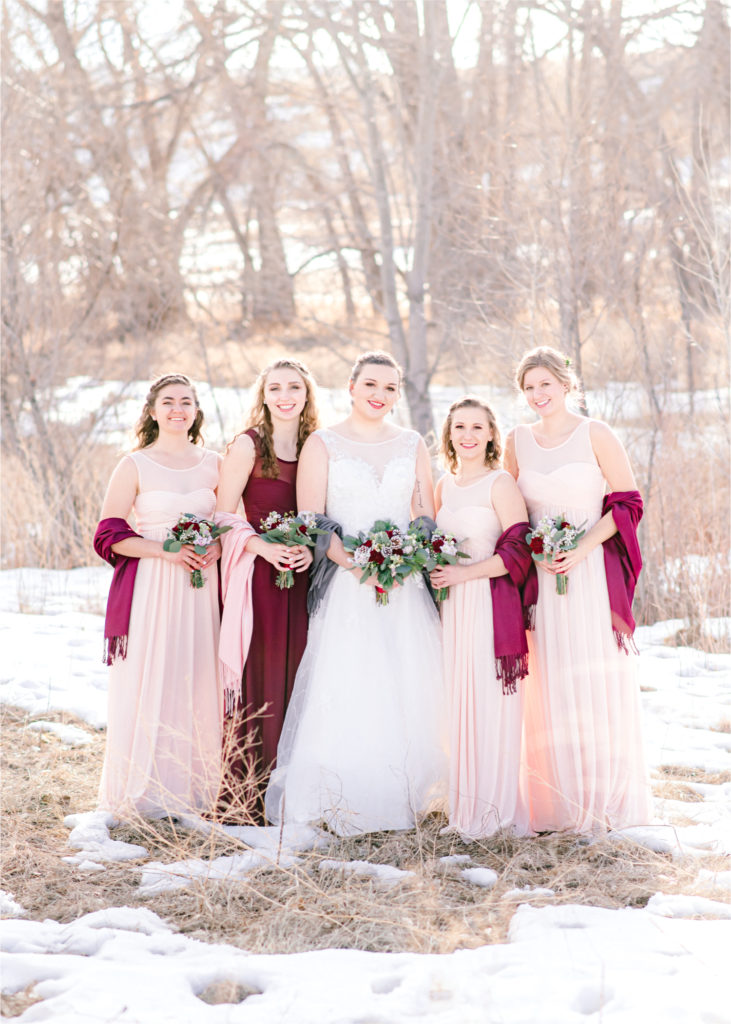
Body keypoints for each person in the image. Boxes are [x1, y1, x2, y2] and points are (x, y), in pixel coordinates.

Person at [265, 351, 448, 836]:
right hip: (347, 584)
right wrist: (360, 565)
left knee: (404, 680)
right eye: (371, 384)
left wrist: (400, 558)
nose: (379, 395)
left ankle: (407, 790)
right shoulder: (323, 444)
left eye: (390, 388)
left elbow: (423, 513)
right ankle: (342, 793)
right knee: (350, 681)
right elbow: (312, 518)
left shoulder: (412, 443)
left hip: (401, 583)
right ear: (351, 387)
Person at [504, 346, 652, 834]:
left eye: (545, 384)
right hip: (542, 582)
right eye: (528, 388)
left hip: (588, 576)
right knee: (549, 680)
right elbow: (509, 514)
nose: (537, 395)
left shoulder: (596, 433)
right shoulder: (517, 441)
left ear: (566, 384)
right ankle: (555, 804)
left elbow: (628, 504)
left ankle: (600, 799)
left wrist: (584, 547)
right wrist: (534, 549)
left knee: (591, 680)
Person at [94, 373, 223, 819]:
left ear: (196, 411)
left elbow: (232, 522)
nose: (177, 409)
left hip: (203, 588)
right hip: (150, 585)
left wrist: (217, 546)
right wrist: (165, 550)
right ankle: (143, 792)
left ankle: (196, 789)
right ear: (152, 411)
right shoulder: (134, 465)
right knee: (152, 675)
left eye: (186, 401)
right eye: (168, 401)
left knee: (198, 676)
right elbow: (108, 533)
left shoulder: (216, 464)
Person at [214, 358, 319, 820]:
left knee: (300, 676)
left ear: (307, 393)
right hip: (260, 575)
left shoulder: (318, 446)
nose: (284, 395)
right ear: (263, 395)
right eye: (274, 388)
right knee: (262, 678)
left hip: (303, 578)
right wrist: (261, 547)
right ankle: (246, 798)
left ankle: (293, 796)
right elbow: (222, 514)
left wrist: (310, 551)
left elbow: (324, 513)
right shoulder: (248, 445)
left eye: (293, 387)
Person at [431, 397, 536, 839]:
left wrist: (463, 574)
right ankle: (465, 805)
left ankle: (495, 810)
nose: (468, 436)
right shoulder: (443, 486)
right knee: (459, 700)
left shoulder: (500, 483)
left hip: (490, 604)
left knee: (490, 700)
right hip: (452, 608)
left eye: (478, 427)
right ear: (449, 435)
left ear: (492, 434)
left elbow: (519, 550)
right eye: (459, 428)